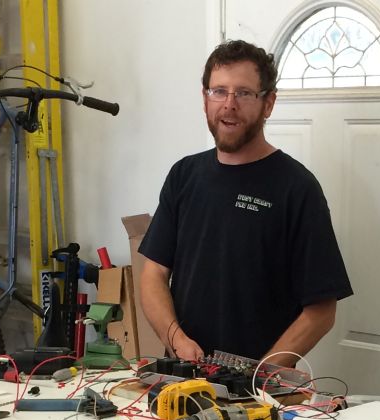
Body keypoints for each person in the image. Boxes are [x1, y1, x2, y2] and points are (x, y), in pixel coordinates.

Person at [138, 40, 353, 365]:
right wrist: (176, 340)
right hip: (186, 376)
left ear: (268, 103)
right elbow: (153, 273)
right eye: (219, 91)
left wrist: (260, 372)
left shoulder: (297, 188)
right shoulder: (183, 175)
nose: (229, 104)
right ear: (205, 99)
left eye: (244, 93)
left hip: (261, 385)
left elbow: (321, 310)